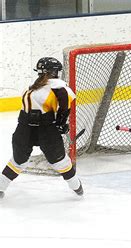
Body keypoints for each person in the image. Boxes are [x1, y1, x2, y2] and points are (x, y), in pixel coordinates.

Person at [0, 57, 83, 199]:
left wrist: (60, 123)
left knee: (18, 161)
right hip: (46, 130)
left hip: (24, 128)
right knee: (60, 162)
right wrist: (61, 124)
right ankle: (77, 188)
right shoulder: (59, 86)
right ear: (54, 71)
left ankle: (0, 188)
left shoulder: (32, 87)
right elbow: (64, 108)